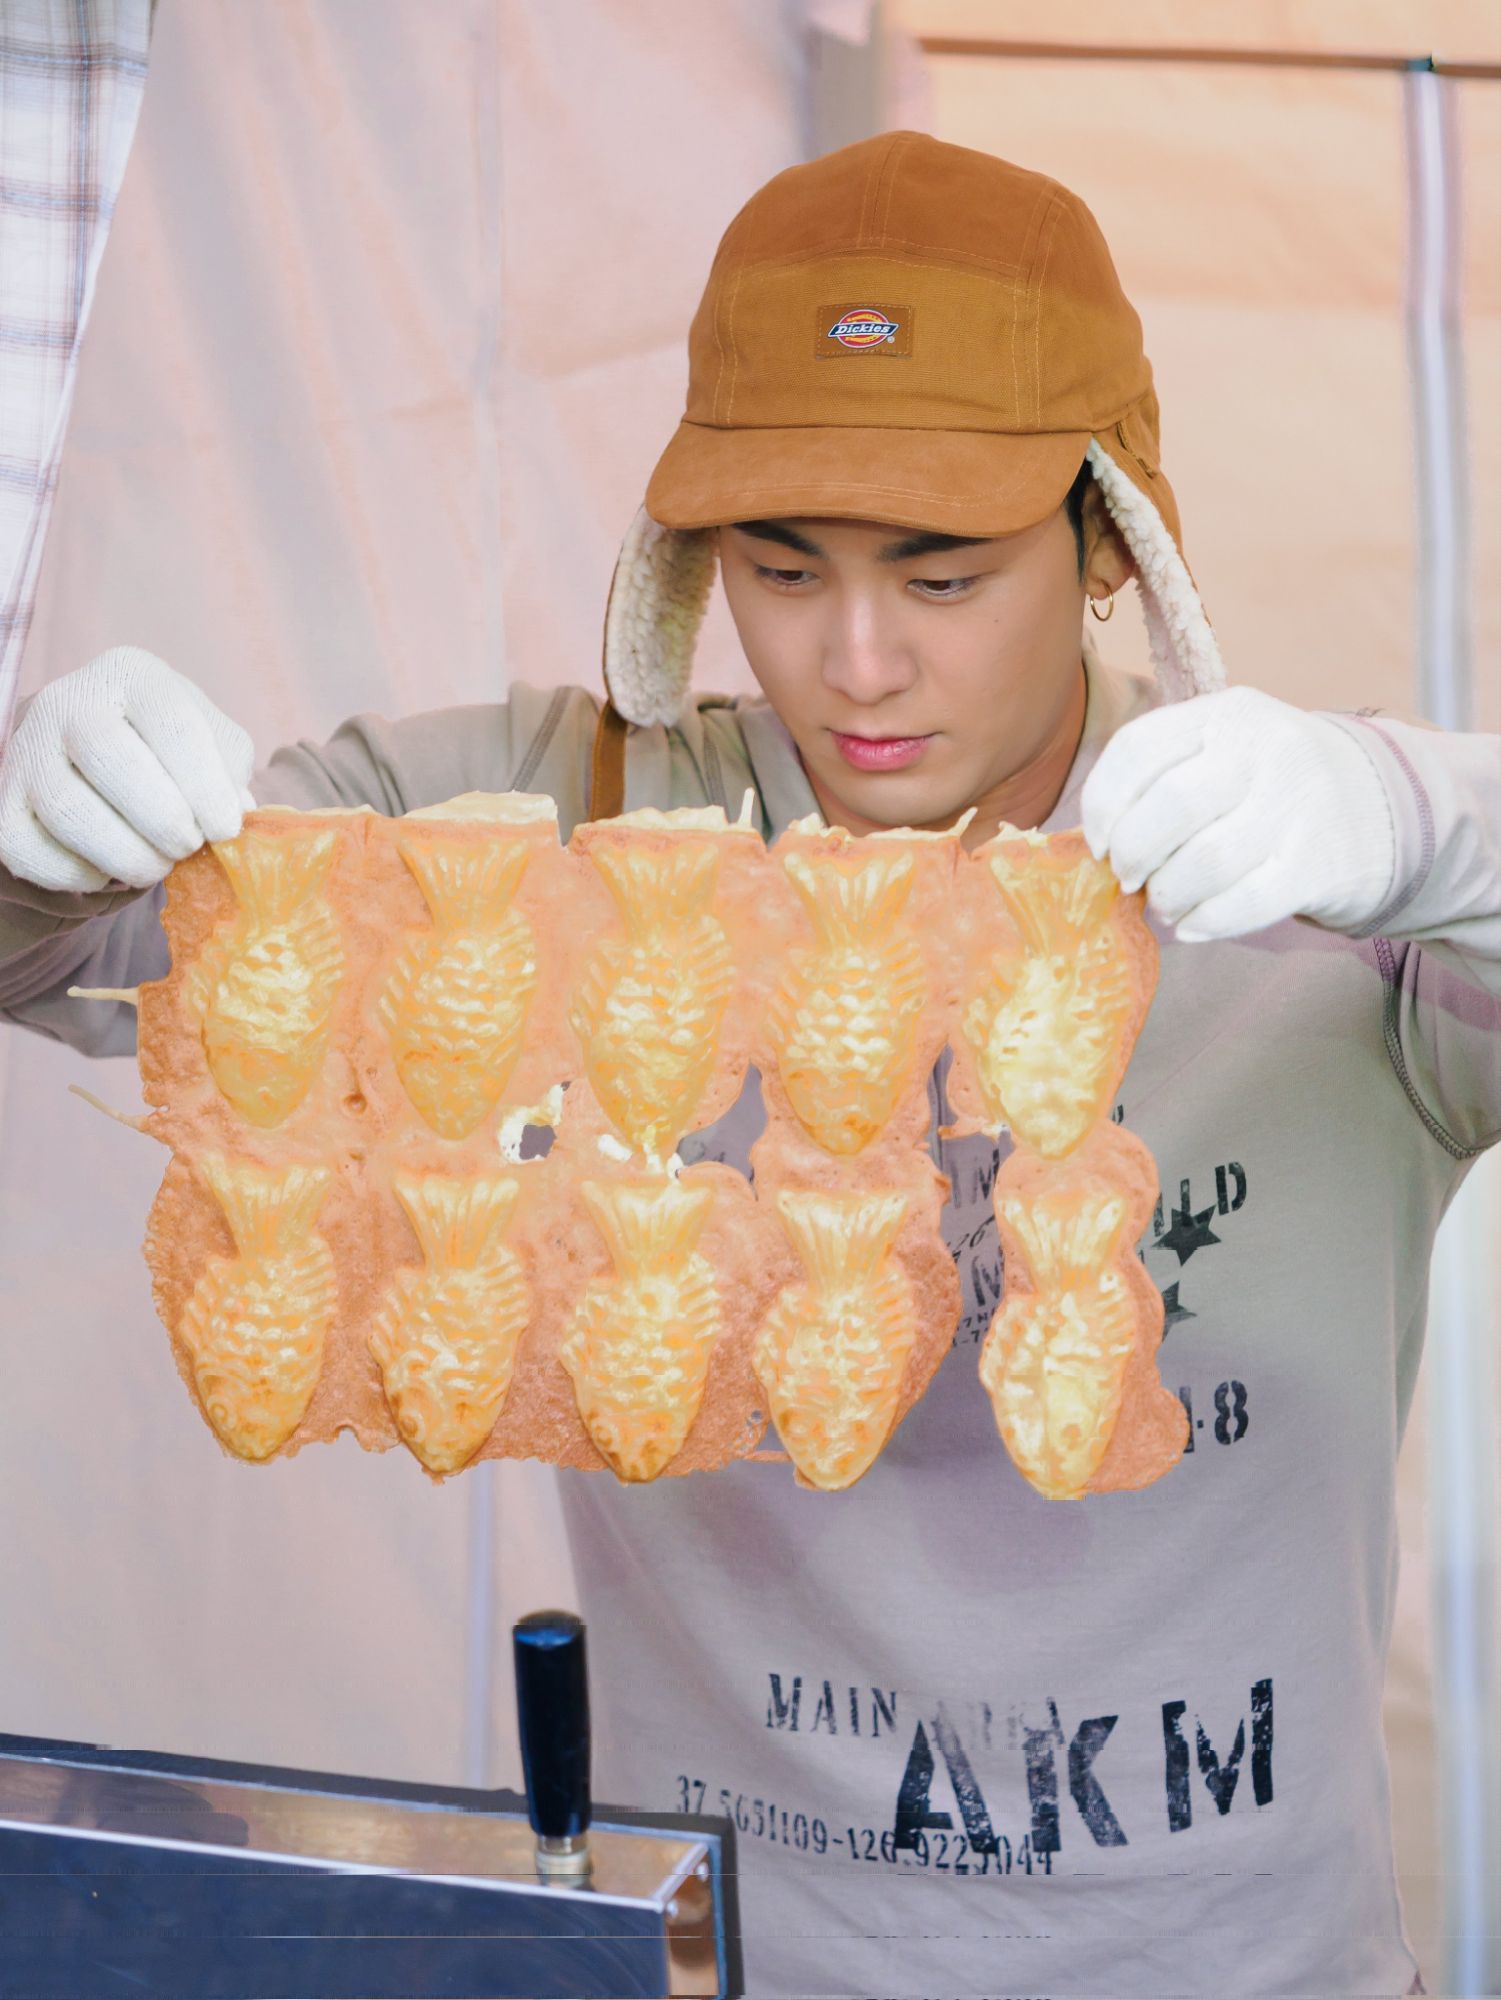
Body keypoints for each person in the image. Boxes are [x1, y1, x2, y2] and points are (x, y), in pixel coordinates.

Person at [1, 132, 1496, 1999]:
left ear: (1109, 541)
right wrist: (31, 829)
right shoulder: (545, 839)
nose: (854, 664)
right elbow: (72, 948)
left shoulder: (1304, 867)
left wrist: (1434, 820)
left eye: (942, 578)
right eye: (780, 570)